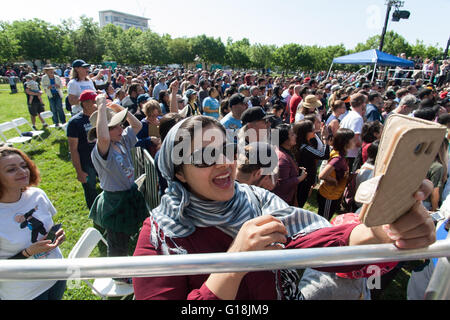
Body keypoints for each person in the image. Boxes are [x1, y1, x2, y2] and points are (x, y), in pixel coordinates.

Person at [132, 115, 437, 300]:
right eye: (203, 157)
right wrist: (235, 261)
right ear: (179, 173)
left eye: (226, 149)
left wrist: (382, 230)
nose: (223, 162)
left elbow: (317, 242)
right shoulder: (158, 236)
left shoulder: (256, 199)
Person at [88, 95, 148, 284]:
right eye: (117, 125)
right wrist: (99, 107)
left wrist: (121, 110)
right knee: (117, 241)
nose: (122, 128)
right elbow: (103, 136)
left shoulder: (121, 141)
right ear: (104, 129)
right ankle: (118, 274)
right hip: (115, 201)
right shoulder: (101, 149)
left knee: (134, 230)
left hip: (129, 194)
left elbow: (137, 126)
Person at [0, 147, 66, 300]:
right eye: (11, 169)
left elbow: (47, 228)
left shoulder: (37, 195)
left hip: (57, 275)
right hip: (24, 292)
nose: (22, 172)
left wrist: (55, 237)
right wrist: (27, 253)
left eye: (23, 166)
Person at [67, 90, 100, 211]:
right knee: (90, 188)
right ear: (85, 103)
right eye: (94, 101)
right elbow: (73, 149)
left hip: (101, 159)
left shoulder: (100, 117)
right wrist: (79, 171)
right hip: (86, 162)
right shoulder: (75, 122)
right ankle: (95, 212)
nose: (97, 104)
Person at [317, 128, 355, 220]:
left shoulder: (341, 154)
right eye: (353, 140)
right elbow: (322, 175)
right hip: (329, 196)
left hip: (333, 195)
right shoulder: (338, 159)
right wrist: (333, 181)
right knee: (323, 221)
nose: (355, 141)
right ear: (346, 142)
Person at [271, 124, 307, 205]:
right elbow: (282, 185)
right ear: (284, 139)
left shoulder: (283, 150)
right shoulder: (282, 159)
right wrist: (300, 178)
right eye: (292, 134)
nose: (296, 136)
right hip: (282, 202)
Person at [339, 93, 367, 170]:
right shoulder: (357, 118)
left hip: (346, 153)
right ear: (362, 103)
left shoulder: (348, 115)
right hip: (352, 155)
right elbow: (355, 139)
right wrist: (365, 147)